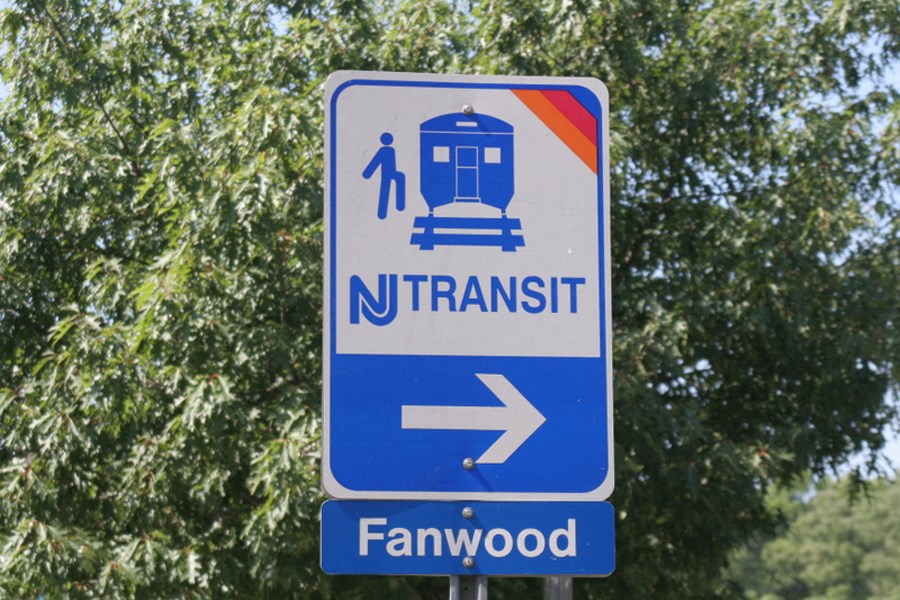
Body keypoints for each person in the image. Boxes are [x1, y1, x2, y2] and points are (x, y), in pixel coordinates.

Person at [362, 132, 406, 220]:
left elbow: (375, 162)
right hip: (387, 174)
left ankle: (399, 206)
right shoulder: (386, 151)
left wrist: (367, 173)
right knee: (385, 191)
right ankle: (385, 212)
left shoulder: (387, 150)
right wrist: (367, 173)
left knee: (387, 189)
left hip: (389, 173)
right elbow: (375, 162)